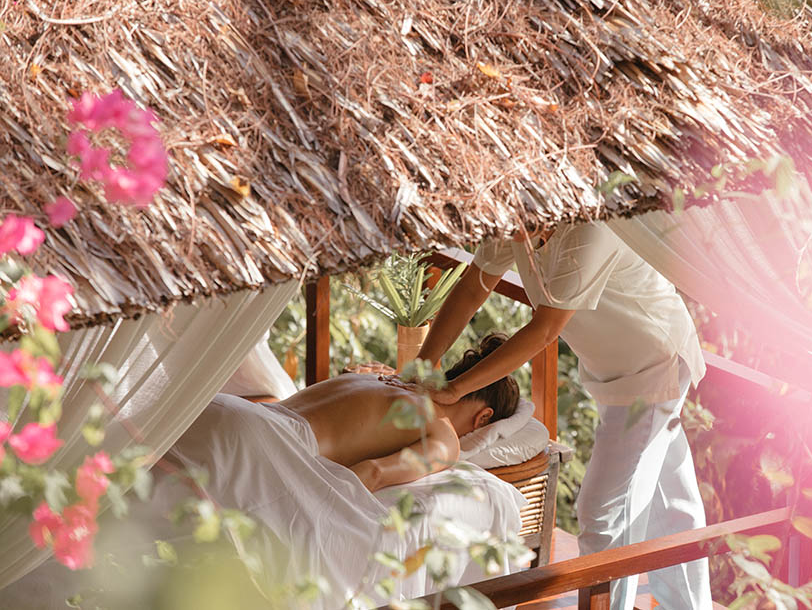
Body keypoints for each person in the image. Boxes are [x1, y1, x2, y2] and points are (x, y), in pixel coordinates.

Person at [418, 220, 712, 610]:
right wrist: (421, 366)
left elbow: (544, 330)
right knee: (671, 505)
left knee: (604, 513)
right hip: (614, 370)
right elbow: (474, 286)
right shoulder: (513, 220)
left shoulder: (588, 231)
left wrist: (456, 387)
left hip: (654, 365)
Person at [279, 332, 519, 491]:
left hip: (257, 415)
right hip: (277, 453)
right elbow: (373, 473)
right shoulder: (445, 438)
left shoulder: (383, 377)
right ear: (485, 417)